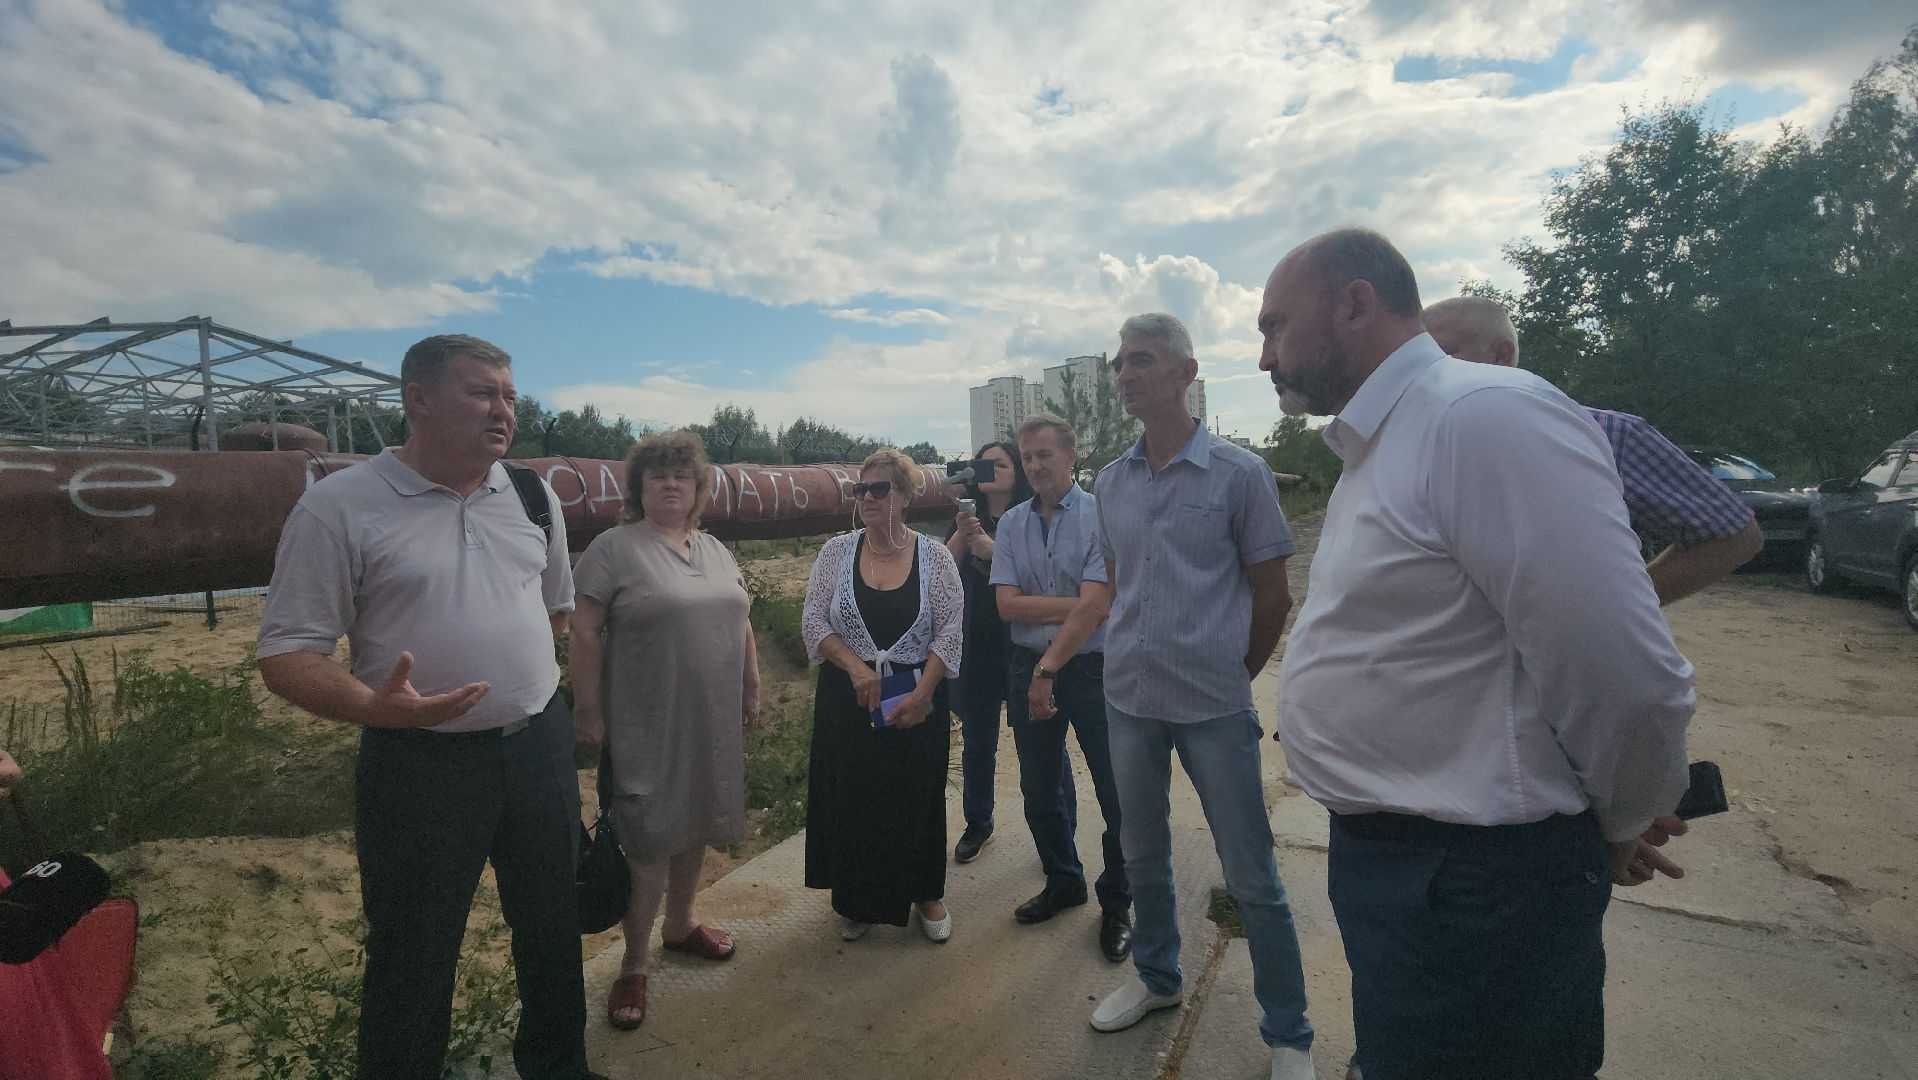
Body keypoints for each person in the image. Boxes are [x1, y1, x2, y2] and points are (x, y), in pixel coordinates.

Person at [1261, 229, 1696, 1080]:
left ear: (1354, 304)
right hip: (1412, 874)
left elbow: (1626, 677)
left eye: (1276, 326)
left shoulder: (1480, 417)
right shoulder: (1385, 442)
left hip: (1476, 889)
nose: (1267, 354)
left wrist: (1617, 823)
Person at [256, 334, 600, 1080]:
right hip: (418, 763)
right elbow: (286, 654)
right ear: (417, 397)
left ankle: (557, 1068)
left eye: (509, 394)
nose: (503, 409)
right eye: (482, 392)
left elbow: (555, 613)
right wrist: (373, 708)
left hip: (537, 746)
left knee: (551, 927)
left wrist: (528, 686)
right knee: (413, 953)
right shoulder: (339, 507)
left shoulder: (533, 495)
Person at [1091, 314, 1317, 1080]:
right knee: (1143, 852)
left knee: (1251, 873)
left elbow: (1271, 596)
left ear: (1187, 373)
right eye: (1120, 362)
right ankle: (1158, 979)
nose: (1125, 374)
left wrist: (1233, 674)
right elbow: (1119, 584)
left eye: (1142, 360)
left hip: (1213, 708)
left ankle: (1289, 1033)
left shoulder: (1238, 475)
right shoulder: (1111, 482)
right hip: (1128, 699)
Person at [569, 430, 760, 1031]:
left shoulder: (714, 549)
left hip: (712, 719)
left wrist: (751, 685)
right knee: (650, 839)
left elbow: (742, 620)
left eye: (682, 476)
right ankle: (634, 964)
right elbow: (583, 632)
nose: (671, 485)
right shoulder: (613, 548)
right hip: (646, 720)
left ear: (699, 488)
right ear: (639, 489)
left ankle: (679, 928)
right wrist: (589, 710)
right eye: (658, 477)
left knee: (696, 821)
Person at [1422, 296, 1762, 605]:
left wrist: (1620, 607)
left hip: (1556, 668)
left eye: (1441, 356)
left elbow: (1733, 536)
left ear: (1501, 355)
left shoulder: (1607, 435)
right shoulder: (1403, 439)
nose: (1422, 373)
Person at [802, 448, 965, 942]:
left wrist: (923, 692)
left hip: (914, 692)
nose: (868, 498)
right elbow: (813, 621)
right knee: (854, 795)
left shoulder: (933, 556)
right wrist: (854, 666)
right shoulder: (836, 552)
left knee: (915, 793)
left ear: (907, 497)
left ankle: (924, 892)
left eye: (880, 489)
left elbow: (950, 630)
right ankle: (860, 897)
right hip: (847, 697)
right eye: (861, 489)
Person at [991, 413, 1130, 961]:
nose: (1034, 466)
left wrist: (1080, 617)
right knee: (1039, 787)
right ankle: (1063, 880)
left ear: (1071, 458)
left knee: (1115, 791)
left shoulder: (1101, 516)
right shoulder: (1011, 525)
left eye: (1045, 455)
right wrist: (1085, 603)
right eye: (1027, 457)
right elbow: (1006, 605)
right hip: (1027, 664)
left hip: (1093, 670)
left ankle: (1118, 902)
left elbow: (1101, 608)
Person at [945, 440, 1074, 864]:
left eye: (998, 463)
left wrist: (990, 546)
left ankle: (1059, 830)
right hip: (977, 642)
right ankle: (978, 822)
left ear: (1017, 470)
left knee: (1040, 742)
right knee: (978, 740)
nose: (989, 470)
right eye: (983, 464)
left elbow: (1045, 578)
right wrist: (966, 533)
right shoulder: (968, 515)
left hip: (1024, 643)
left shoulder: (1034, 518)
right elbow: (944, 570)